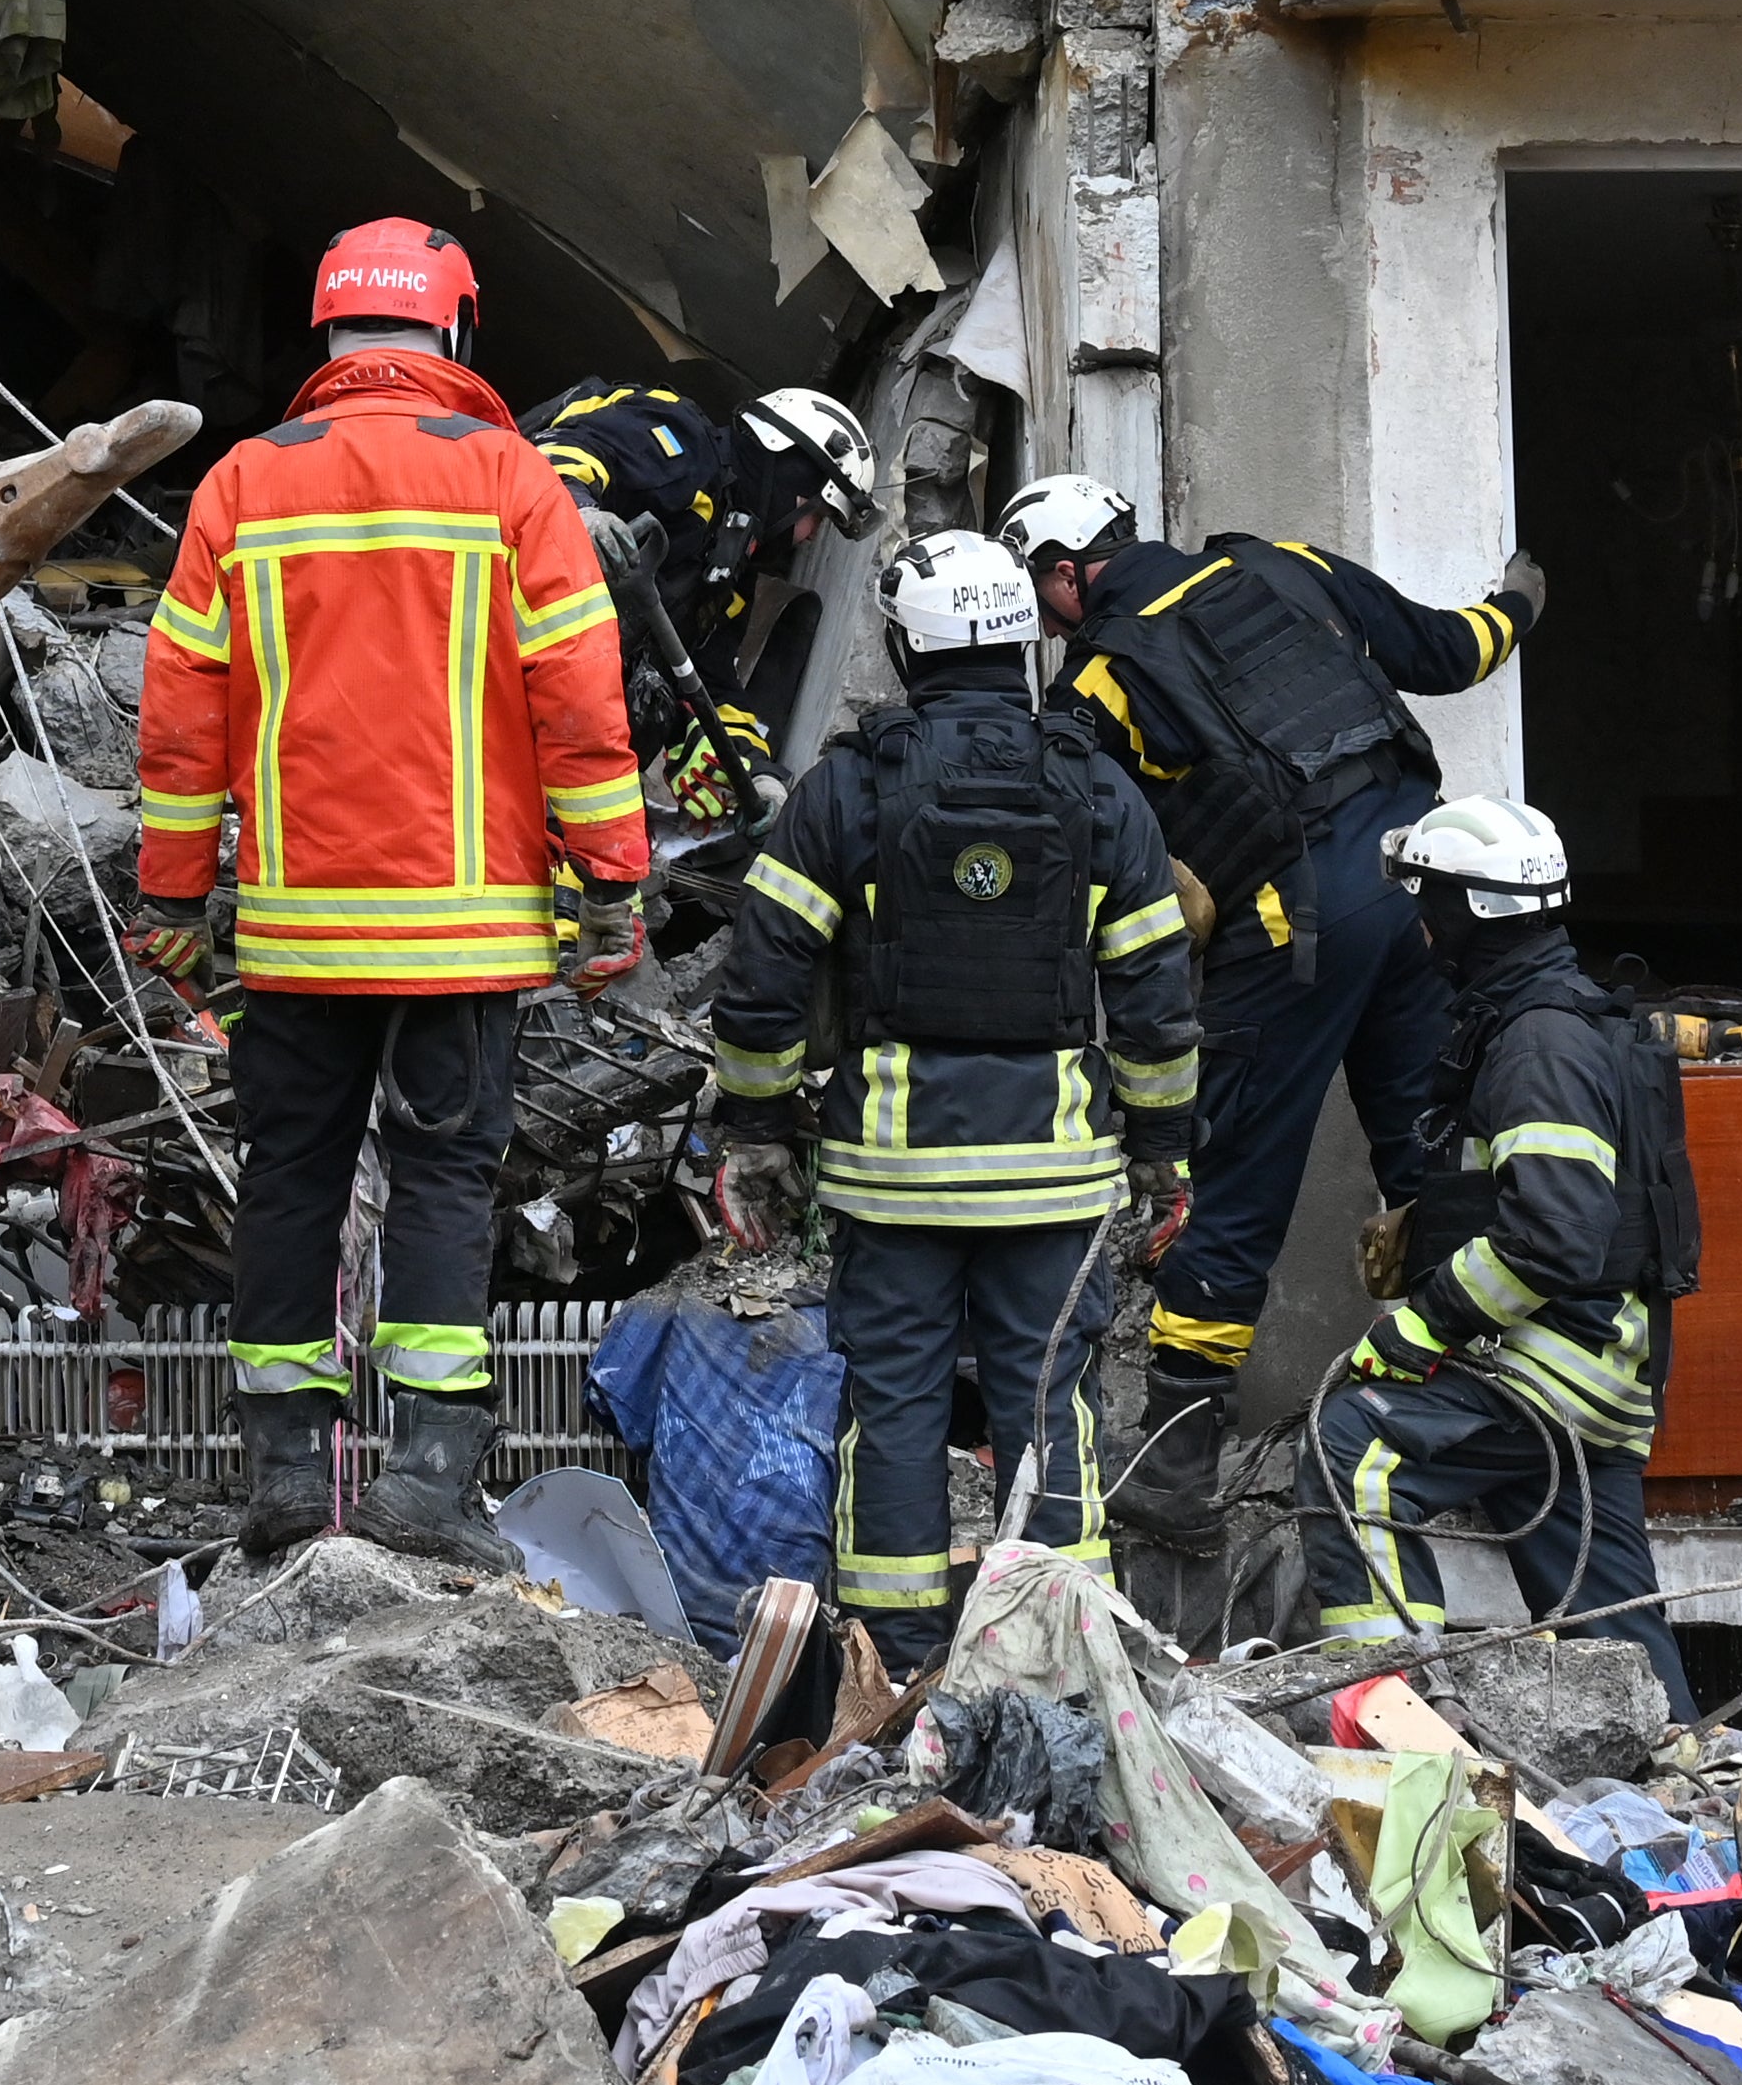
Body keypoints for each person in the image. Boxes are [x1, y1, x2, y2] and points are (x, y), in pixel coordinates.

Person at [133, 219, 649, 1571]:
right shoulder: (508, 481)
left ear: (329, 336)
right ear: (455, 331)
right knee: (438, 1186)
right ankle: (424, 1487)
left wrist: (177, 897)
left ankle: (291, 1479)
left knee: (289, 1179)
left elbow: (180, 716)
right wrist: (611, 882)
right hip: (463, 932)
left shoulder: (242, 486)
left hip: (299, 934)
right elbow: (582, 705)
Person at [996, 475, 1544, 1538]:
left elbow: (1074, 866)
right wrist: (1518, 599)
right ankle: (1471, 1425)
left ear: (1064, 576)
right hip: (1422, 903)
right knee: (1426, 1159)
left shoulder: (1095, 686)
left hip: (1296, 927)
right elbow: (1451, 650)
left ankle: (1172, 1464)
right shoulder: (1281, 565)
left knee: (1236, 1180)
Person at [701, 532, 1201, 1667]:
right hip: (1054, 1177)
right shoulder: (1095, 788)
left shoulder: (846, 788)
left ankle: (892, 1656)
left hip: (893, 1178)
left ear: (901, 644)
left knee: (891, 1411)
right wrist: (1165, 1153)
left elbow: (763, 979)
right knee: (1048, 1411)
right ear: (1024, 638)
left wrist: (754, 1134)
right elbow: (1155, 1000)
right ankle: (1065, 1659)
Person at [1305, 797, 1697, 1708]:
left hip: (1552, 1357)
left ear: (1464, 915)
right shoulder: (1553, 1020)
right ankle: (1682, 1775)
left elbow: (1554, 1239)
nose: (1420, 923)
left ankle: (1395, 1714)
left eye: (1428, 902)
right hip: (1601, 1364)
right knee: (1614, 1631)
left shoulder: (1536, 1045)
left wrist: (1418, 1329)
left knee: (1350, 1444)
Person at [528, 379, 886, 797]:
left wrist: (752, 771)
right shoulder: (682, 442)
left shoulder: (728, 567)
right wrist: (580, 511)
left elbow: (709, 679)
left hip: (551, 733)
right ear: (792, 479)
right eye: (819, 517)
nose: (809, 537)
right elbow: (560, 451)